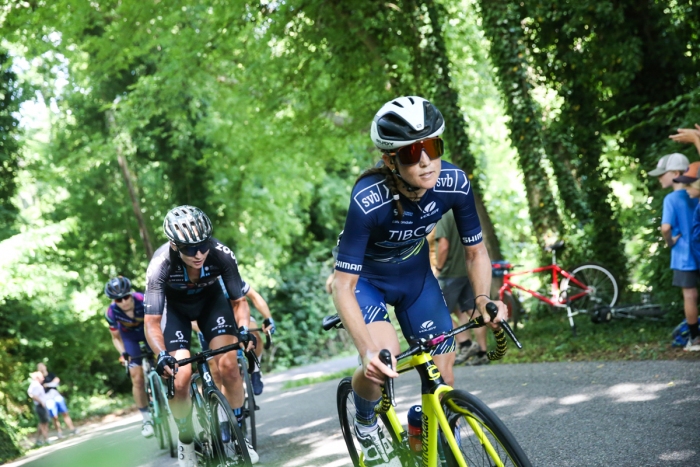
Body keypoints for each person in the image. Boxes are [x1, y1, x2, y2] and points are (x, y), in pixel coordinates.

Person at [331, 96, 508, 467]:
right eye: (412, 153)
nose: (425, 160)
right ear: (390, 160)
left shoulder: (454, 183)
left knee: (442, 376)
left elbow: (476, 252)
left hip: (416, 279)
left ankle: (426, 432)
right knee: (383, 358)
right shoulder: (368, 200)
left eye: (432, 146)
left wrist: (481, 298)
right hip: (367, 282)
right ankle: (365, 421)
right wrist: (366, 351)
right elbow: (342, 285)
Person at [144, 205, 258, 467]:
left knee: (229, 365)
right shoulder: (160, 265)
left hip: (211, 304)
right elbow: (151, 321)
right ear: (174, 245)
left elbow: (239, 301)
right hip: (176, 312)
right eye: (189, 249)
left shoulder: (220, 255)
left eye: (203, 245)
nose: (199, 254)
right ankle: (186, 441)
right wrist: (162, 355)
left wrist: (243, 329)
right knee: (180, 377)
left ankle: (238, 434)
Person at [649, 153, 699, 351]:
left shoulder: (671, 199)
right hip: (699, 250)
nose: (659, 178)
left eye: (663, 174)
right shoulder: (696, 192)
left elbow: (665, 227)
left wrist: (669, 242)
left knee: (690, 296)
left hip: (683, 256)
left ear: (676, 173)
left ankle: (695, 339)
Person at [194, 279, 276, 396]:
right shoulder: (194, 286)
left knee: (254, 335)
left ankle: (255, 371)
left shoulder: (229, 279)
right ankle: (225, 403)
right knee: (216, 370)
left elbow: (254, 296)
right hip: (208, 323)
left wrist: (268, 318)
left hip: (236, 317)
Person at [434, 210, 489, 366]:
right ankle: (482, 353)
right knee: (472, 311)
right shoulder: (465, 211)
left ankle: (465, 344)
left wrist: (438, 268)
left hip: (450, 272)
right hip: (468, 269)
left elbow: (443, 245)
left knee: (438, 311)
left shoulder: (443, 215)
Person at [103, 275, 154, 438]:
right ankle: (146, 419)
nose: (124, 302)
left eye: (125, 297)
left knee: (164, 364)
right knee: (137, 377)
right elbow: (116, 338)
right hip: (129, 338)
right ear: (113, 301)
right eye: (118, 300)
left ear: (130, 294)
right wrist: (123, 354)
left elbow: (157, 323)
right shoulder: (111, 312)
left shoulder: (143, 299)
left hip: (148, 332)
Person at [37, 363, 76, 437]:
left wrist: (48, 385)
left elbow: (57, 381)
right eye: (40, 367)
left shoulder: (51, 374)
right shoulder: (40, 379)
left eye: (42, 366)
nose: (42, 368)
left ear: (45, 367)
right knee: (54, 416)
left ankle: (72, 428)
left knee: (65, 412)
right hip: (48, 399)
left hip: (56, 396)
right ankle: (59, 432)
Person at [28, 371, 50, 446]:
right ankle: (46, 439)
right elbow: (34, 395)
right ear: (37, 378)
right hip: (40, 406)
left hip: (41, 405)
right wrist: (41, 402)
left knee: (43, 422)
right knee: (43, 423)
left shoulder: (35, 385)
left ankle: (39, 439)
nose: (43, 378)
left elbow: (30, 393)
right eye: (41, 377)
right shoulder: (36, 385)